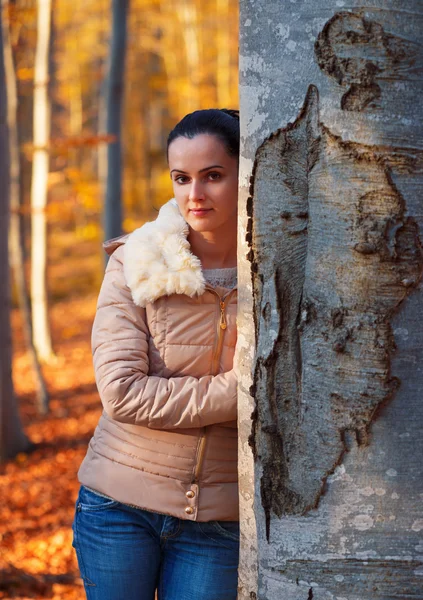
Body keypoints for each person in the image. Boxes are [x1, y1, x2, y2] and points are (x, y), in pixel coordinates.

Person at [72, 108, 240, 600]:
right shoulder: (137, 258)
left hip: (219, 521)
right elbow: (122, 393)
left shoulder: (278, 269)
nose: (195, 195)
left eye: (213, 176)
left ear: (244, 174)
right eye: (181, 178)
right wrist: (241, 393)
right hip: (118, 507)